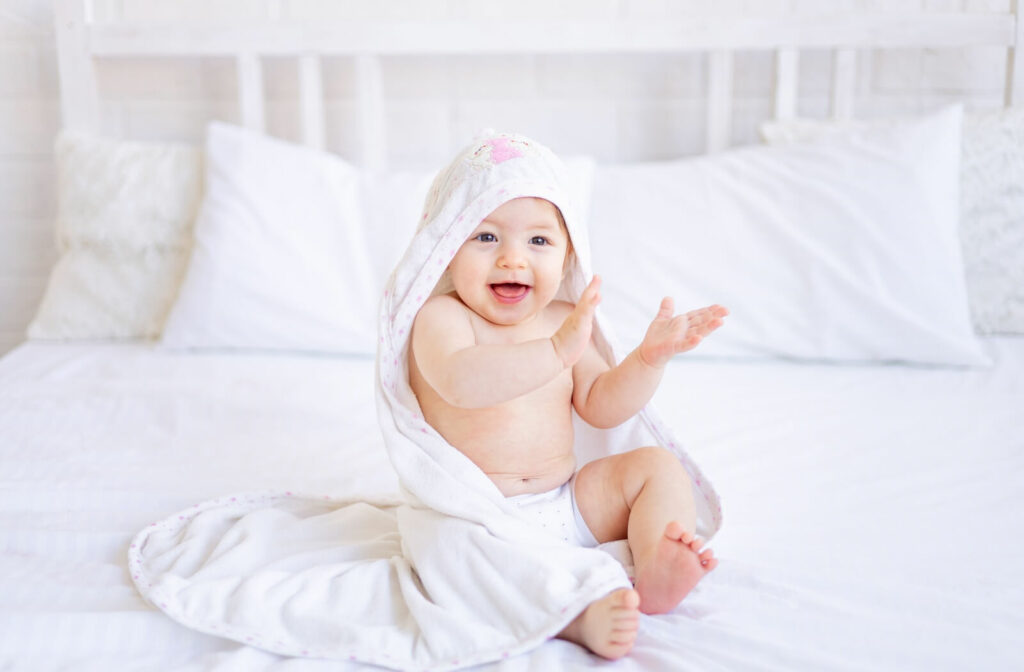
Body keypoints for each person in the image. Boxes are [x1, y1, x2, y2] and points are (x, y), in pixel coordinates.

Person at [408, 140, 728, 661]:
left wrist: (648, 361)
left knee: (655, 467)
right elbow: (461, 382)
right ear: (446, 246)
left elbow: (602, 405)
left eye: (538, 239)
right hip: (477, 516)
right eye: (485, 236)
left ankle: (655, 560)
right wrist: (555, 352)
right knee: (442, 554)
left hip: (566, 505)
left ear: (568, 253)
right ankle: (577, 616)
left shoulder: (563, 320)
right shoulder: (442, 320)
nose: (513, 257)